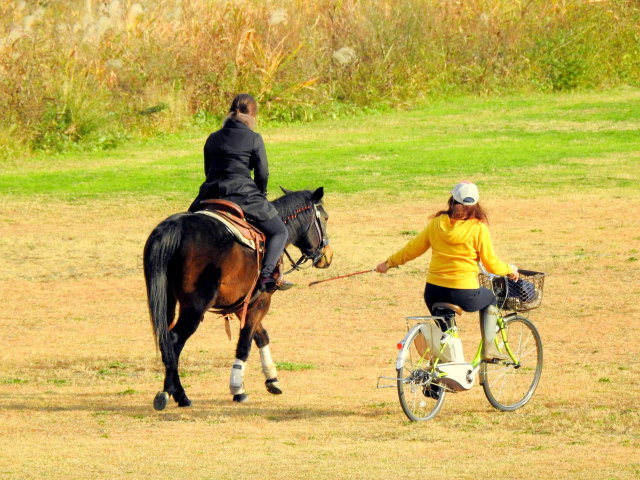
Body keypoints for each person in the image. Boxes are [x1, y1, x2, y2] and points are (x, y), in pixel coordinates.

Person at [375, 181, 519, 361]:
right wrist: (509, 269)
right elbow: (491, 264)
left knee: (446, 335)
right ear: (475, 204)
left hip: (434, 291)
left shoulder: (436, 224)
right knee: (490, 298)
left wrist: (388, 263)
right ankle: (489, 349)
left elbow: (412, 249)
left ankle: (438, 380)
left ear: (452, 199)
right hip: (464, 293)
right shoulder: (478, 228)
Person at [189, 93, 290, 292]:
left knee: (186, 225)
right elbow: (262, 172)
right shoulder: (254, 138)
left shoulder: (212, 138)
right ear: (252, 116)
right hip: (243, 195)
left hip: (210, 194)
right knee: (280, 231)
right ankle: (267, 276)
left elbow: (208, 171)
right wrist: (260, 193)